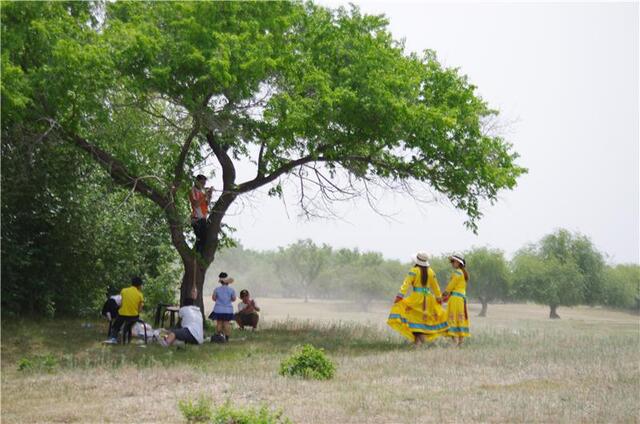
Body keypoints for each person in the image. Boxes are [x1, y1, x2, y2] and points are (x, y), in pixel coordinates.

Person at [387, 252, 448, 345]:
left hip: (416, 299)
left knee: (414, 322)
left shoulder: (414, 270)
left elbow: (405, 284)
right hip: (428, 300)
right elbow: (436, 287)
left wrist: (399, 296)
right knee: (421, 323)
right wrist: (439, 299)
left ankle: (421, 343)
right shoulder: (431, 272)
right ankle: (418, 344)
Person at [105, 276, 144, 344]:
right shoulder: (140, 295)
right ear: (139, 285)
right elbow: (139, 310)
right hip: (133, 316)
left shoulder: (124, 290)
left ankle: (113, 338)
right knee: (129, 324)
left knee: (116, 326)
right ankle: (125, 335)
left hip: (122, 315)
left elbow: (122, 303)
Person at [442, 254, 470, 346]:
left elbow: (451, 285)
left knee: (452, 318)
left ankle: (454, 341)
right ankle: (461, 342)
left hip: (455, 299)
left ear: (458, 262)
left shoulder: (457, 273)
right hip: (461, 299)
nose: (451, 263)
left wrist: (444, 293)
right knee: (460, 318)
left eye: (452, 261)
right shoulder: (464, 273)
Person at [188, 174, 213, 254]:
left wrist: (209, 195)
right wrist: (205, 195)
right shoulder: (193, 190)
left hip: (203, 218)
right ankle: (196, 256)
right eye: (202, 183)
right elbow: (195, 204)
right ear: (197, 181)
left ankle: (198, 256)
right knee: (201, 239)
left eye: (204, 183)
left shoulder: (202, 192)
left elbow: (207, 203)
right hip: (196, 218)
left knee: (204, 239)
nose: (203, 185)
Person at [209, 272, 236, 342]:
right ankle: (226, 338)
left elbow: (213, 298)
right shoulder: (231, 290)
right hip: (228, 310)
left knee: (219, 323)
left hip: (218, 309)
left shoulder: (216, 289)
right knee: (226, 323)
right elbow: (234, 299)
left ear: (220, 281)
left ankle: (218, 337)